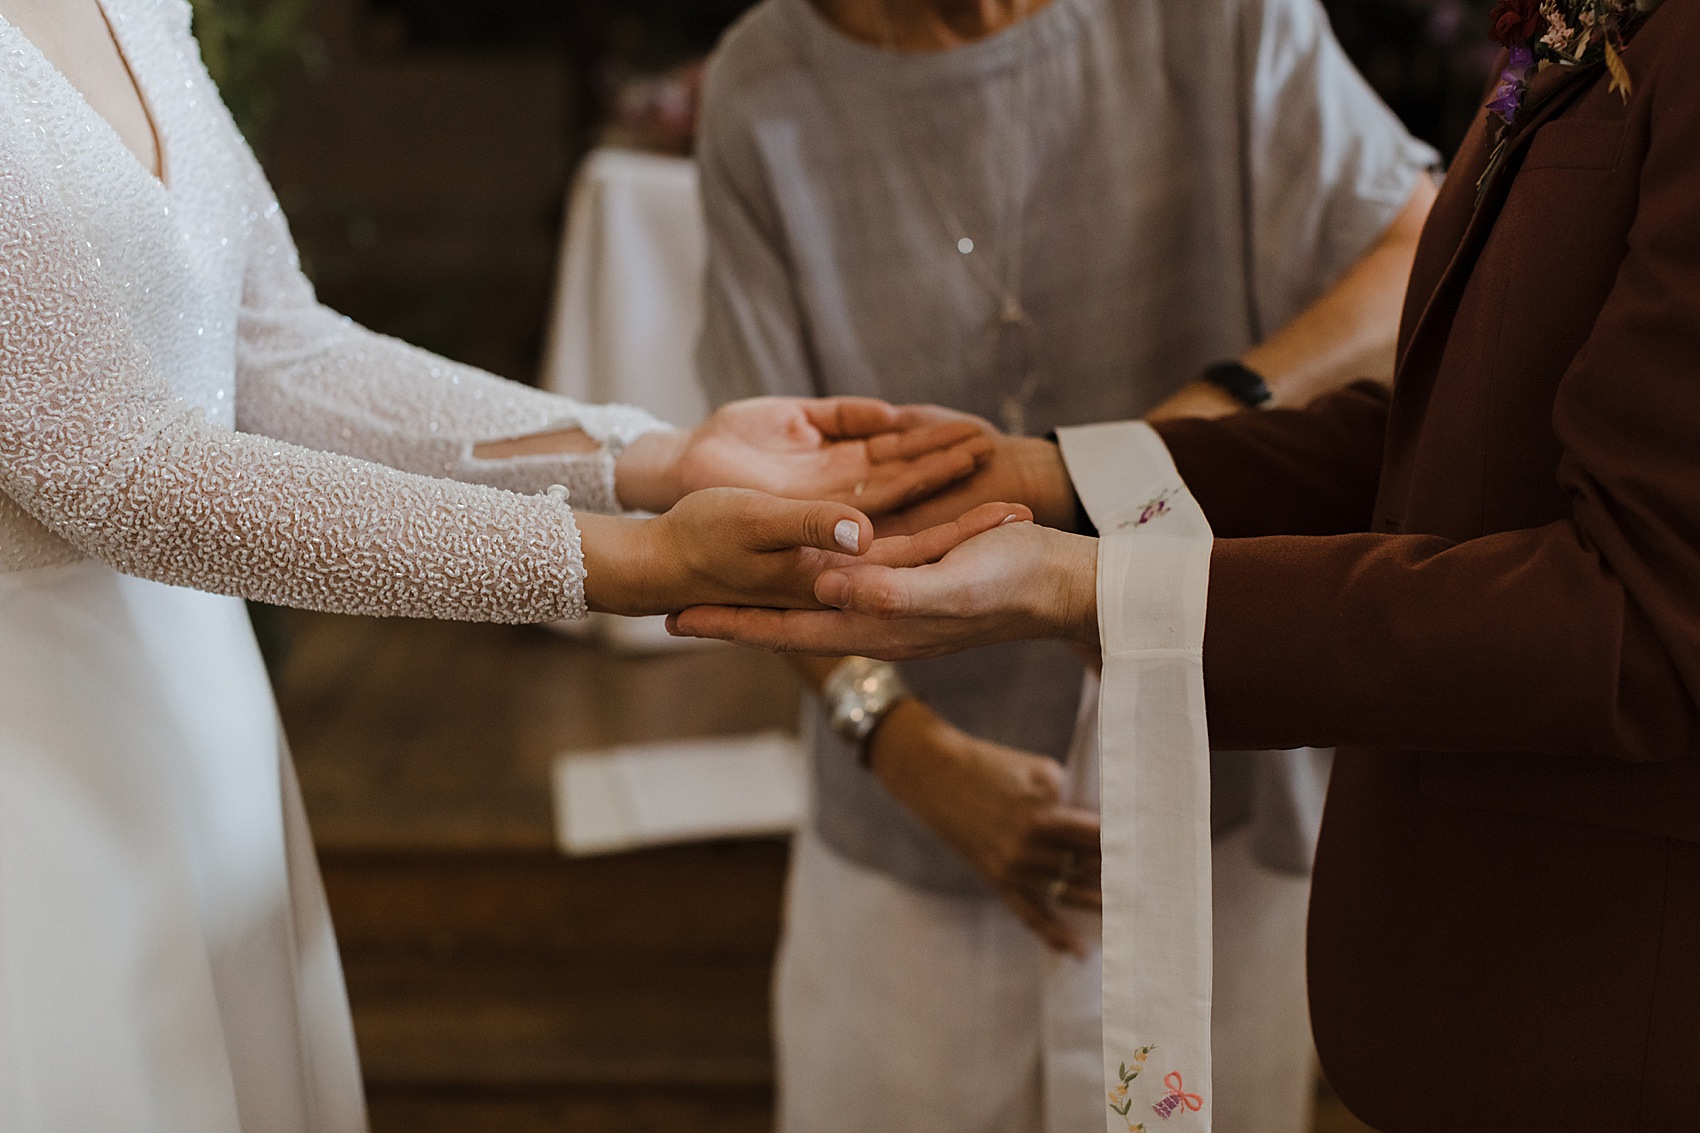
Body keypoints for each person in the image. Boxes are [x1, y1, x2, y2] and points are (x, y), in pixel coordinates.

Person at [673, 0, 1700, 1127]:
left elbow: (1630, 603)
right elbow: (1449, 437)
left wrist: (1098, 575)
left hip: (1487, 920)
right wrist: (1070, 481)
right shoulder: (764, 82)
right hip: (925, 840)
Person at [0, 2, 997, 1130]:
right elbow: (115, 467)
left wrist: (648, 457)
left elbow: (277, 352)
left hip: (199, 715)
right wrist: (626, 562)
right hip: (38, 746)